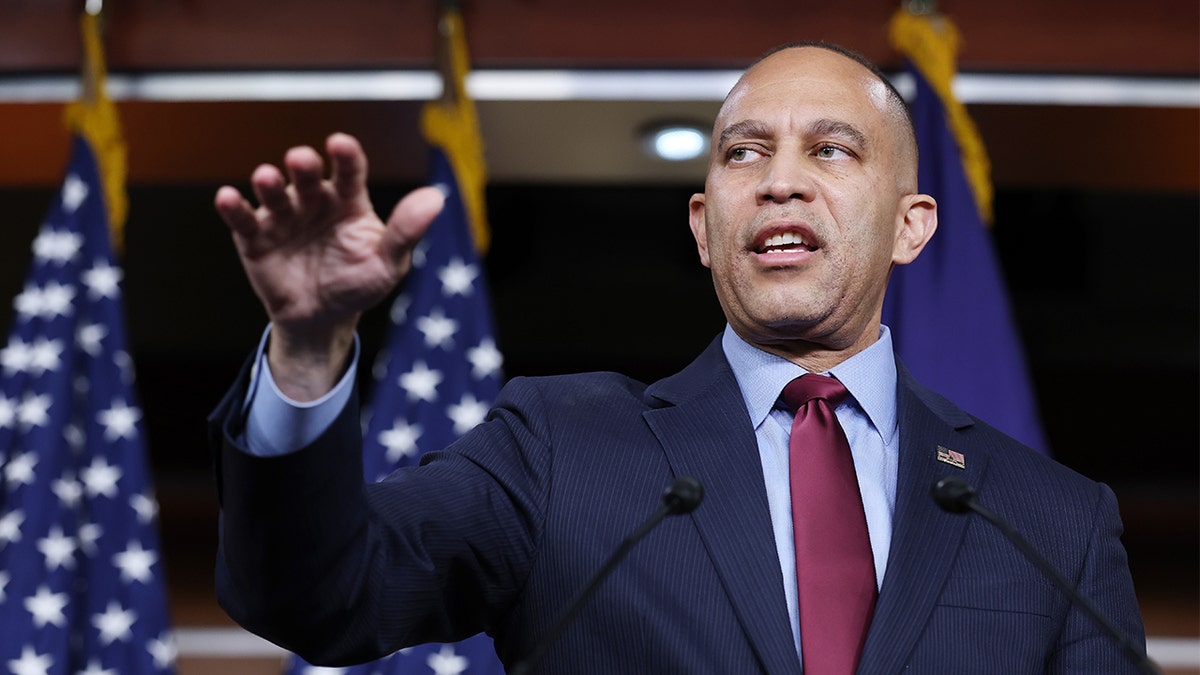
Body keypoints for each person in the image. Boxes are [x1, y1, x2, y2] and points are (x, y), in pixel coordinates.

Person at [209, 42, 1147, 673]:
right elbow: (321, 593)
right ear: (704, 226)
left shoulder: (1052, 521)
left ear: (911, 225)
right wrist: (307, 350)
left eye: (832, 150)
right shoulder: (556, 452)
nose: (780, 181)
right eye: (743, 153)